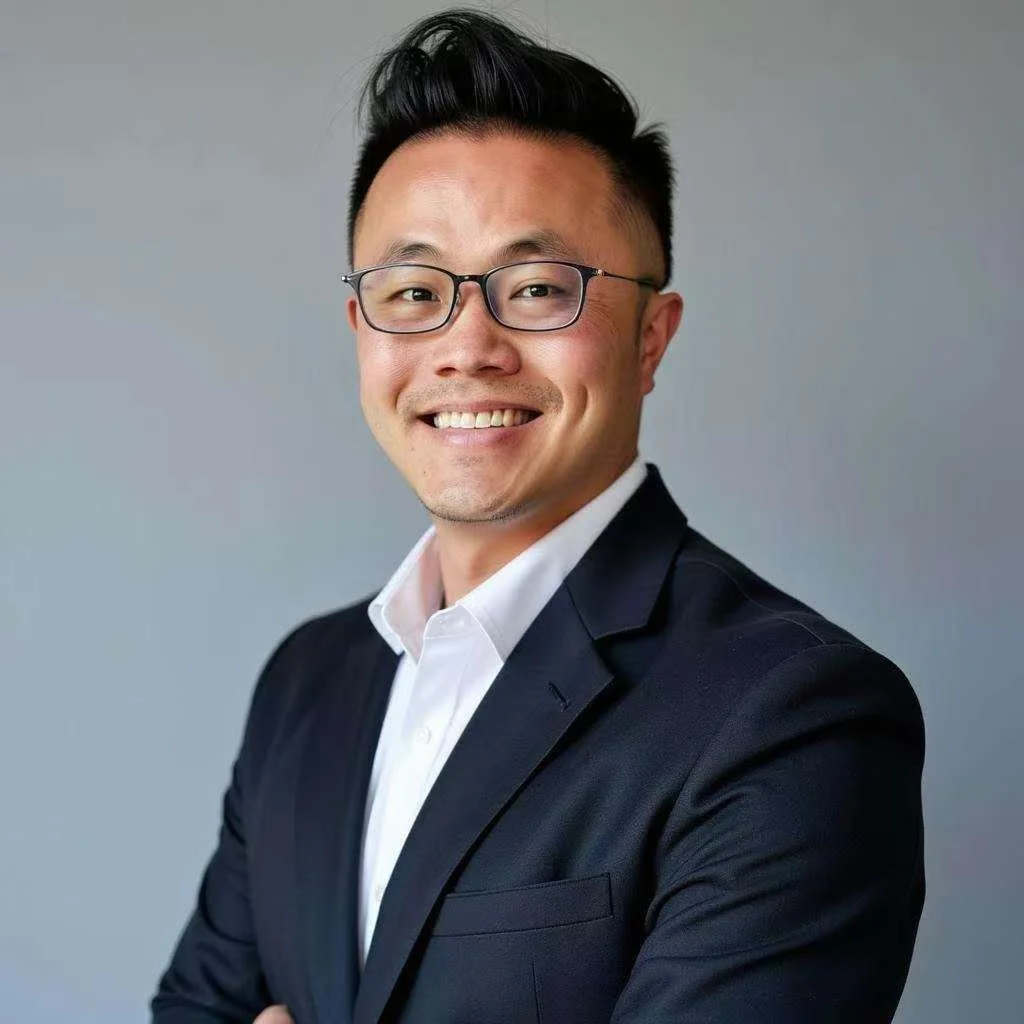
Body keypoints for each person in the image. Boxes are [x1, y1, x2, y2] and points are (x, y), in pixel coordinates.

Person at [151, 10, 924, 1023]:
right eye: (414, 290)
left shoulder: (792, 713)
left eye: (536, 287)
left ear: (651, 336)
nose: (465, 345)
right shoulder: (307, 682)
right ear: (361, 329)